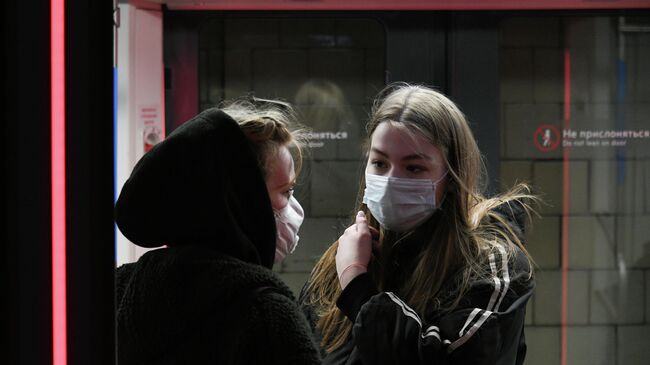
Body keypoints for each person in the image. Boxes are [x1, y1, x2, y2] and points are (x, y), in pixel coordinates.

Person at [300, 84, 537, 365]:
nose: (389, 181)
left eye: (414, 168)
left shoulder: (491, 267)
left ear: (451, 177)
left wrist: (356, 285)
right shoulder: (346, 255)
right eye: (379, 163)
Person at [114, 97, 321, 364]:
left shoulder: (118, 295)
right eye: (285, 191)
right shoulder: (266, 315)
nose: (295, 207)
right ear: (244, 201)